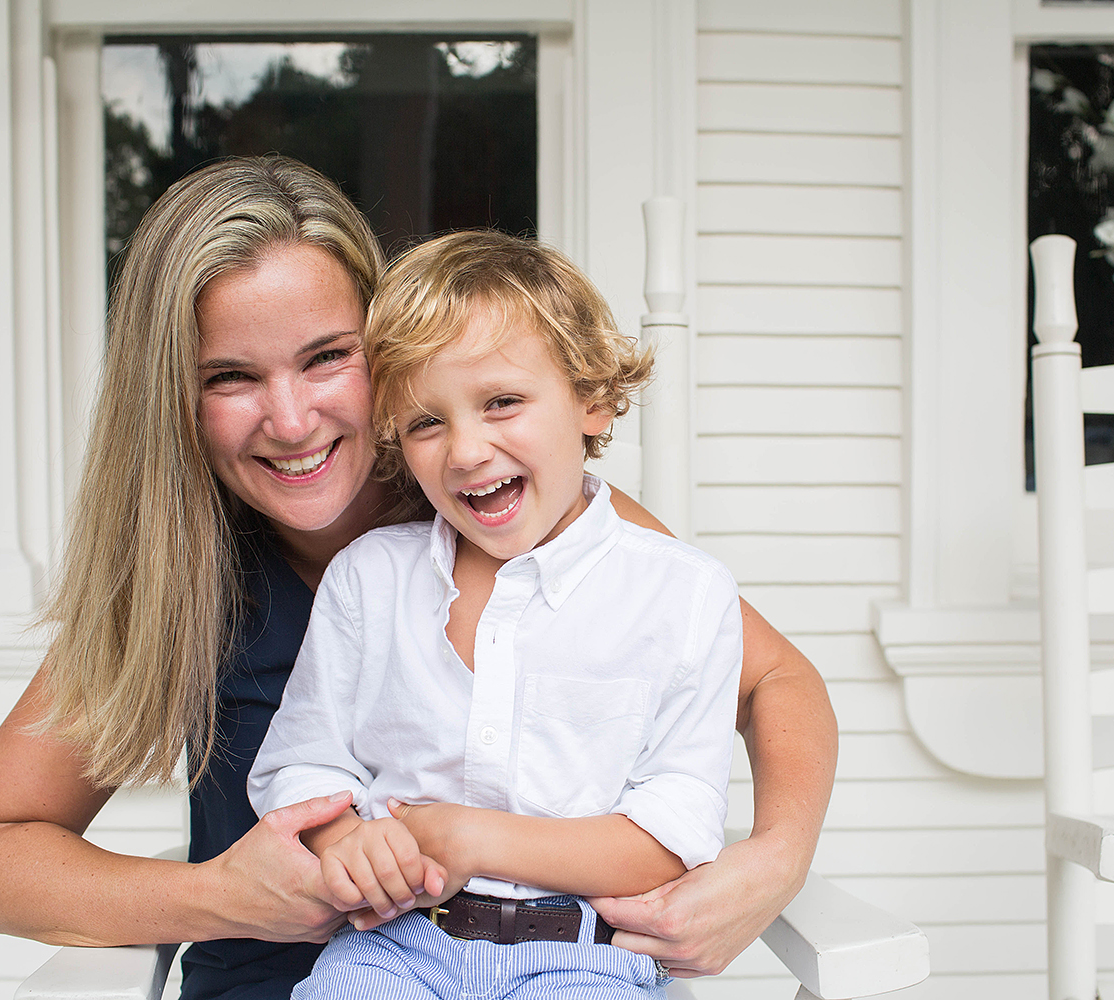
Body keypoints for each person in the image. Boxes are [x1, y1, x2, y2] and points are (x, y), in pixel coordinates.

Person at [0, 156, 838, 1000]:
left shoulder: (530, 521)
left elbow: (776, 679)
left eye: (328, 356)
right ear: (176, 398)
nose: (292, 420)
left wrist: (775, 860)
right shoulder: (180, 578)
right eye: (231, 376)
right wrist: (221, 896)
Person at [247, 230, 742, 999]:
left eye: (502, 402)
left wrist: (475, 839)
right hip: (393, 947)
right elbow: (301, 763)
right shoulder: (369, 580)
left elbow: (671, 836)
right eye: (426, 422)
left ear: (591, 398)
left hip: (583, 960)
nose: (467, 450)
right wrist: (345, 839)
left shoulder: (682, 596)